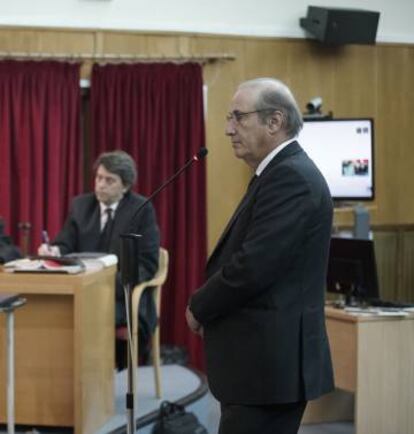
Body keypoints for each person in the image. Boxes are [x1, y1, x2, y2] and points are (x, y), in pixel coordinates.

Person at [186, 78, 334, 434]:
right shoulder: (277, 172)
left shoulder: (291, 178)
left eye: (238, 118)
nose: (228, 129)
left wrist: (200, 305)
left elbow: (253, 266)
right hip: (261, 365)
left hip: (269, 367)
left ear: (274, 122)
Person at [38, 150, 160, 366]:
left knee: (89, 314)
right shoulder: (81, 206)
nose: (101, 184)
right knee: (51, 310)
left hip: (121, 294)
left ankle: (95, 376)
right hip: (82, 288)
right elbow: (65, 243)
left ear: (125, 186)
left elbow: (147, 263)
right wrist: (54, 251)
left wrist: (110, 285)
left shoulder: (141, 209)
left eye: (109, 180)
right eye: (98, 178)